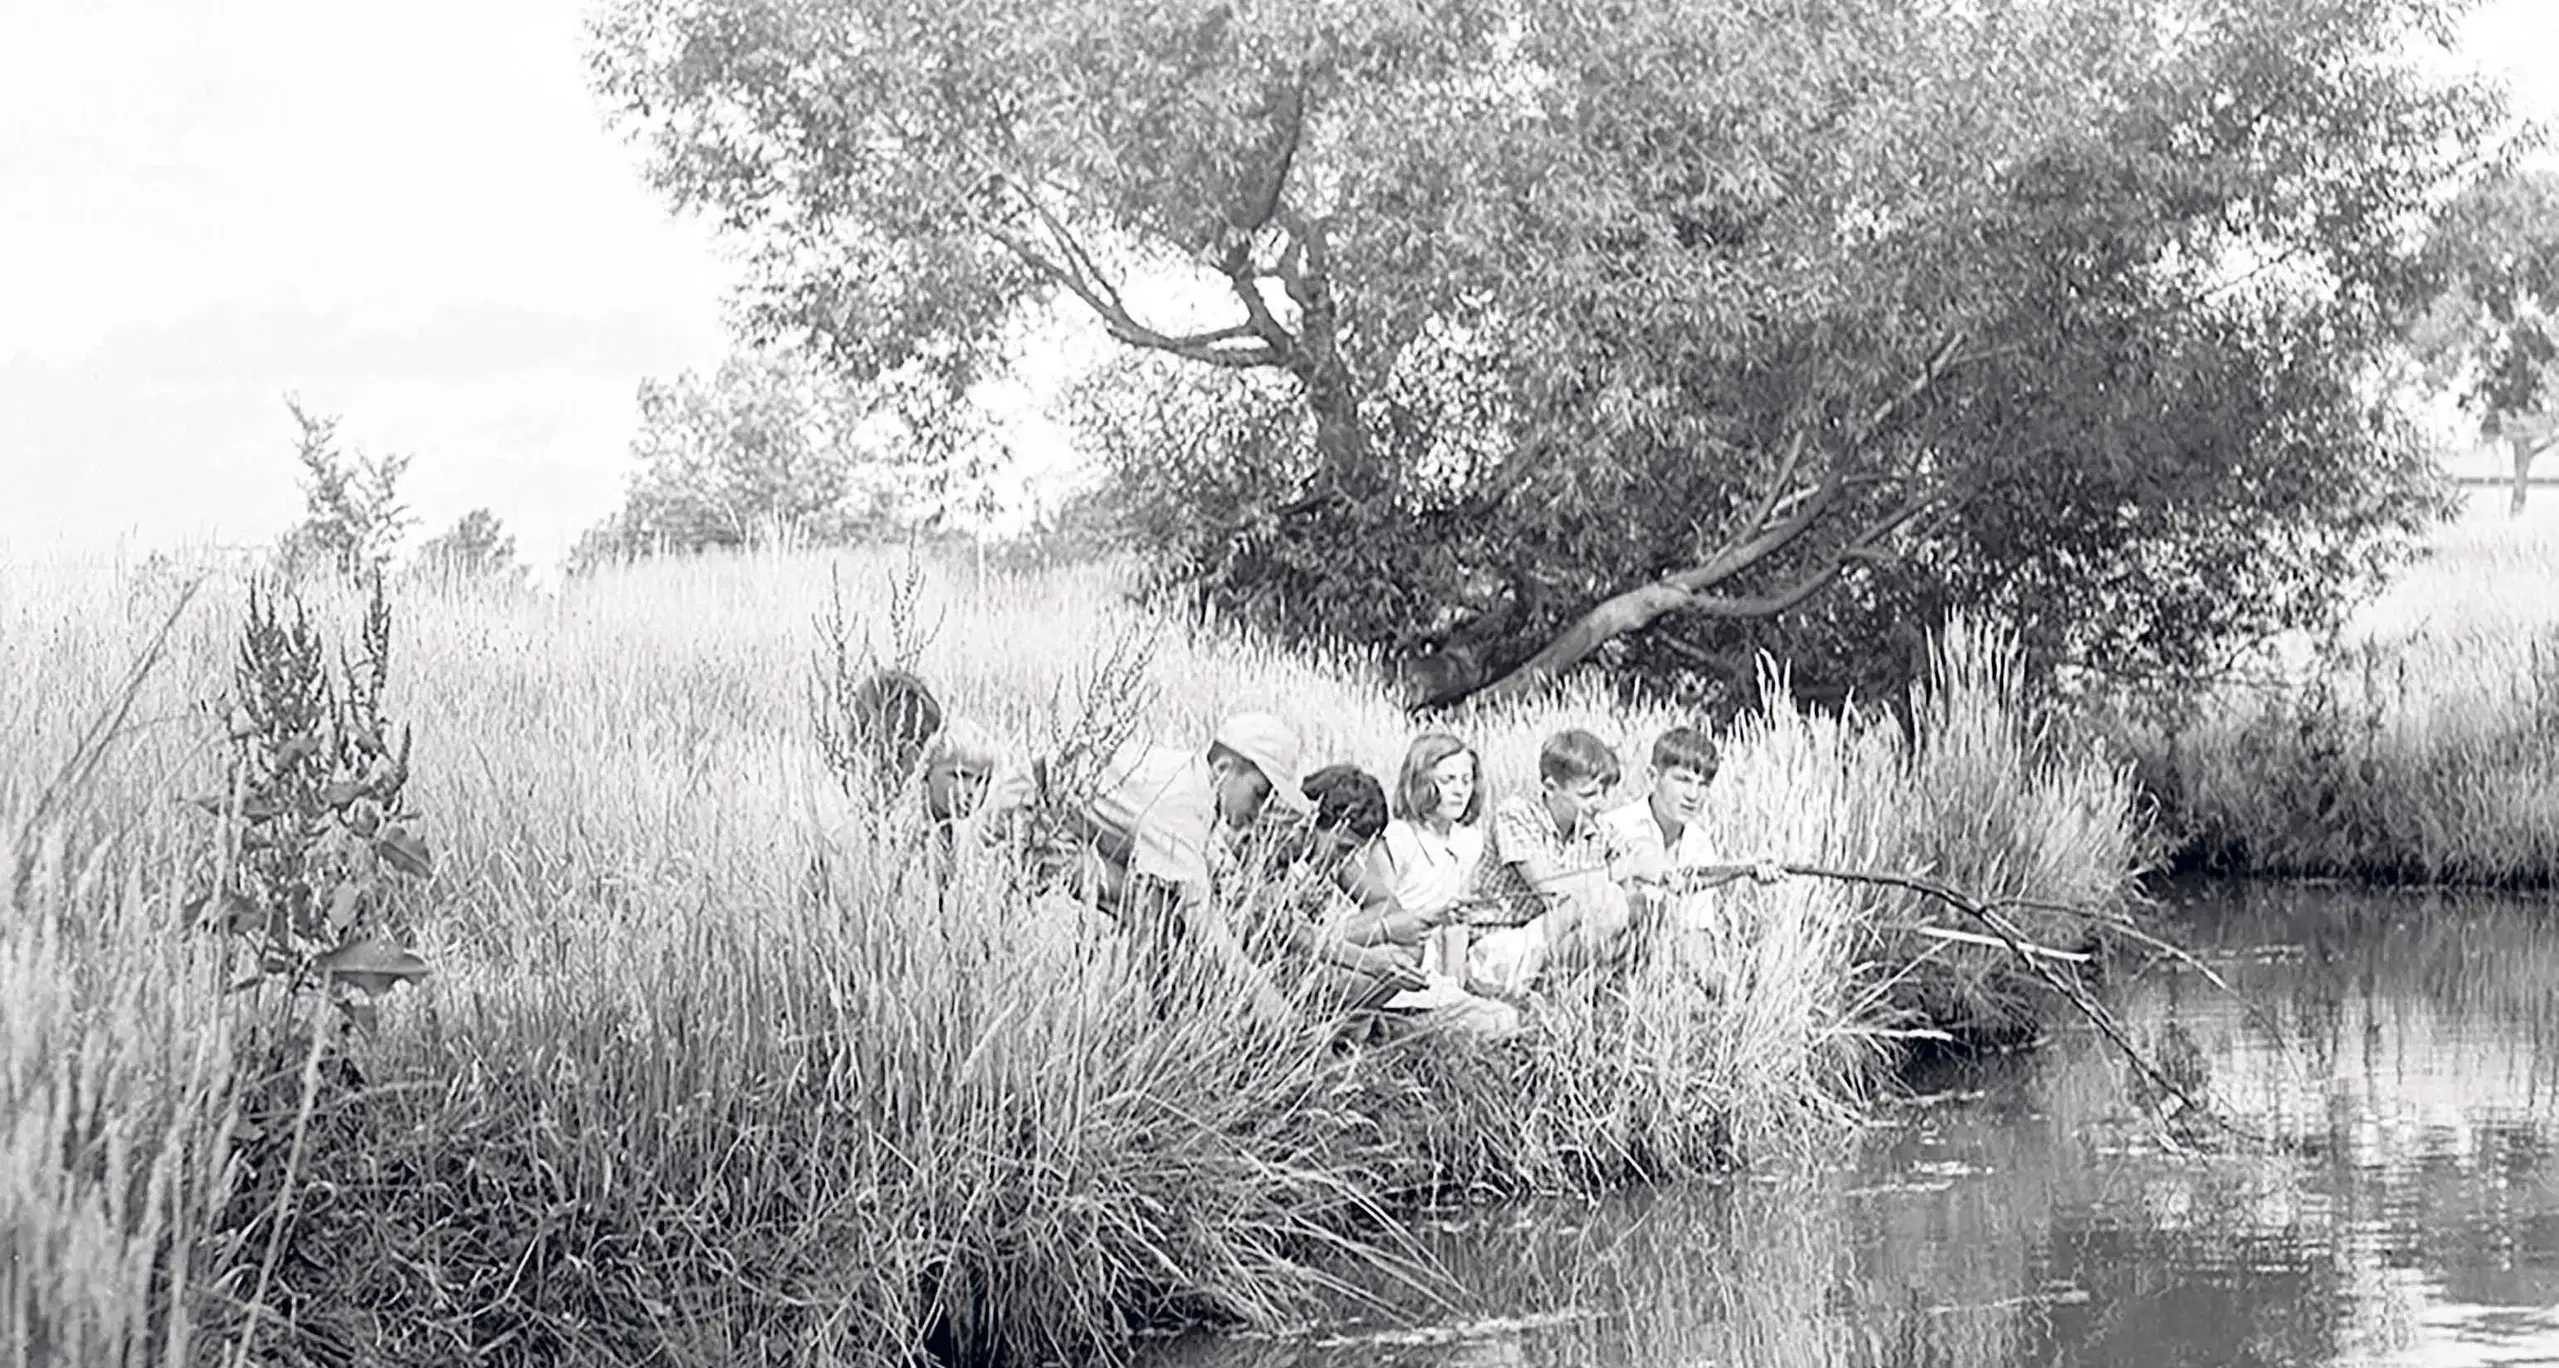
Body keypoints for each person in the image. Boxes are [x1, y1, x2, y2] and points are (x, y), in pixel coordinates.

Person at [1069, 710, 1311, 1027]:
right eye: (1260, 793)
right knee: (1155, 908)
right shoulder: (1181, 803)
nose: (1260, 810)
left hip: (1071, 831)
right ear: (1224, 769)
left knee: (1160, 906)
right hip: (1035, 830)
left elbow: (1219, 882)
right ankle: (1153, 1024)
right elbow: (1205, 925)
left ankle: (1164, 1017)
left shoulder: (1195, 786)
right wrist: (1278, 1012)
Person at [1284, 765, 1523, 1040]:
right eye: (1343, 848)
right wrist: (1378, 939)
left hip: (1325, 955)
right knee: (1388, 965)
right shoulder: (1279, 849)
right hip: (1291, 970)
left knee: (1408, 953)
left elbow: (1386, 907)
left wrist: (1407, 926)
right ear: (1314, 821)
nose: (1344, 858)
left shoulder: (1334, 858)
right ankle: (1367, 1032)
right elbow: (1289, 937)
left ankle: (1366, 1028)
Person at [1470, 728, 1637, 994]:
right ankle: (1564, 995)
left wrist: (1646, 861)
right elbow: (1550, 888)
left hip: (1550, 941)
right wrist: (1615, 874)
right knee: (1607, 896)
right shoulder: (1516, 814)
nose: (1599, 804)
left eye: (1603, 793)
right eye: (1588, 795)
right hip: (1501, 945)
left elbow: (1637, 856)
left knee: (1634, 904)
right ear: (1551, 788)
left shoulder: (1595, 827)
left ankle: (1565, 998)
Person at [1601, 725, 1786, 922]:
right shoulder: (1614, 827)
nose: (1693, 795)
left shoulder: (1699, 845)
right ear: (1653, 777)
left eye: (1703, 784)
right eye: (1683, 780)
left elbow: (1695, 926)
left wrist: (1746, 871)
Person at [1370, 733, 1487, 1002]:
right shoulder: (1398, 838)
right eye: (1447, 781)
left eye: (1467, 781)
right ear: (1422, 782)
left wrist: (1454, 988)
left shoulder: (1469, 841)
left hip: (1438, 971)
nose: (1460, 790)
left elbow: (1457, 926)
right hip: (1396, 964)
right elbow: (1377, 917)